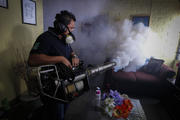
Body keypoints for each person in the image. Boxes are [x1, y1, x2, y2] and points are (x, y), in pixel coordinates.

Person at [28, 10, 79, 120]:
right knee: (57, 114)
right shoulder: (45, 38)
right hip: (51, 87)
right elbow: (32, 60)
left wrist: (74, 56)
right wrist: (60, 59)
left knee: (64, 108)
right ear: (61, 26)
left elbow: (70, 50)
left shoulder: (65, 38)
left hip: (64, 83)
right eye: (71, 28)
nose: (72, 31)